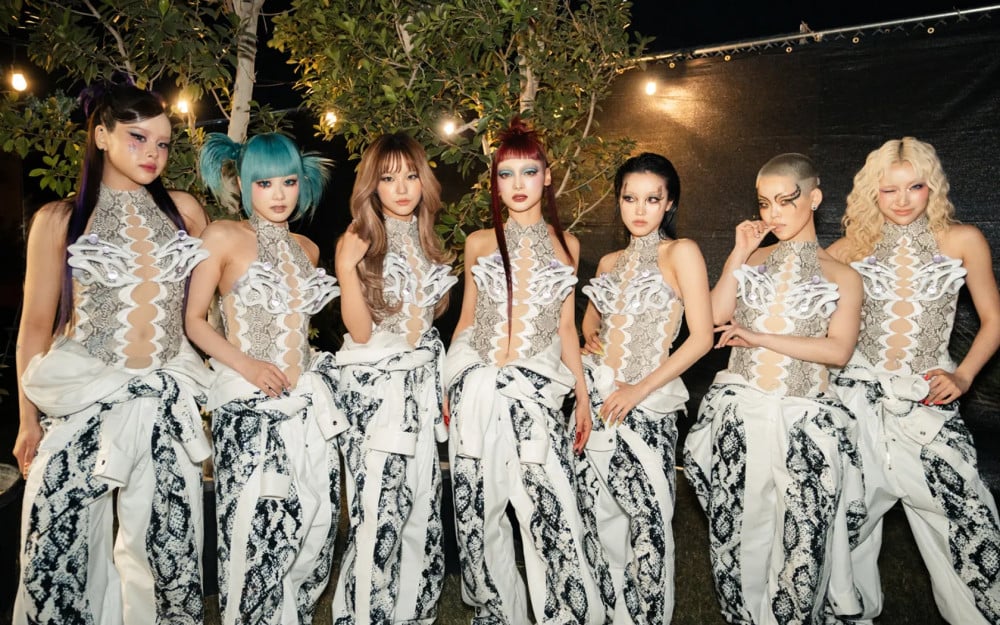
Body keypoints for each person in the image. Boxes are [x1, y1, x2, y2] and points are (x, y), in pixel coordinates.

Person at [13, 82, 211, 625]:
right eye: (137, 137)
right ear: (101, 136)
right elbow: (35, 327)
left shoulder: (185, 212)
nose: (153, 153)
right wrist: (28, 420)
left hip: (163, 401)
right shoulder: (59, 219)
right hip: (85, 399)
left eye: (163, 143)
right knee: (57, 551)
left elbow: (210, 309)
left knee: (166, 557)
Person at [683, 153, 866, 625]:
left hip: (804, 422)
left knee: (803, 546)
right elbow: (714, 316)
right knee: (738, 539)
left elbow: (838, 350)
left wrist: (760, 337)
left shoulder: (842, 275)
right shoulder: (754, 260)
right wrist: (738, 253)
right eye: (765, 203)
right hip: (742, 417)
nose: (774, 213)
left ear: (815, 198)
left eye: (786, 201)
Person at [827, 137, 1000, 625]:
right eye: (889, 190)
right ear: (872, 193)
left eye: (915, 187)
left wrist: (963, 374)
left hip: (928, 404)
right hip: (858, 404)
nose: (902, 200)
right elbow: (802, 298)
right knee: (846, 527)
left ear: (932, 188)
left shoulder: (962, 240)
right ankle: (847, 614)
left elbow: (994, 319)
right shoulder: (850, 248)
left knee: (968, 522)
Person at [445, 117, 605, 624]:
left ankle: (566, 615)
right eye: (506, 173)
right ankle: (499, 614)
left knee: (552, 510)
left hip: (535, 394)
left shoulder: (568, 245)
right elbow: (467, 320)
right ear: (495, 182)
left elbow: (566, 328)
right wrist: (448, 386)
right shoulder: (478, 242)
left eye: (529, 171)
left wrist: (582, 396)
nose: (518, 184)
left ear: (547, 177)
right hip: (477, 390)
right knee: (480, 515)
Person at [187, 132, 341, 625]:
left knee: (310, 530)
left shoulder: (308, 249)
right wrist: (248, 366)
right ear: (243, 182)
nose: (278, 194)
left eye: (289, 182)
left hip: (305, 406)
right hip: (246, 406)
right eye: (265, 183)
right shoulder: (222, 237)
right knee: (255, 535)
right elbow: (194, 321)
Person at [575, 152, 713, 624]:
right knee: (597, 518)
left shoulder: (681, 253)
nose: (639, 209)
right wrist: (590, 337)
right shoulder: (609, 262)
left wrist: (638, 390)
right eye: (629, 198)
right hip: (598, 401)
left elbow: (702, 337)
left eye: (652, 199)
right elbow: (592, 322)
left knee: (648, 525)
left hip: (648, 405)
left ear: (669, 203)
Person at [330, 133, 456, 624]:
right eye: (388, 178)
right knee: (378, 515)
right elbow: (360, 333)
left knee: (420, 509)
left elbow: (428, 323)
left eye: (410, 175)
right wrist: (345, 268)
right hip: (376, 393)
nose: (401, 188)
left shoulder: (428, 240)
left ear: (424, 181)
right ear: (372, 185)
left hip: (420, 390)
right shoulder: (360, 239)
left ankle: (412, 614)